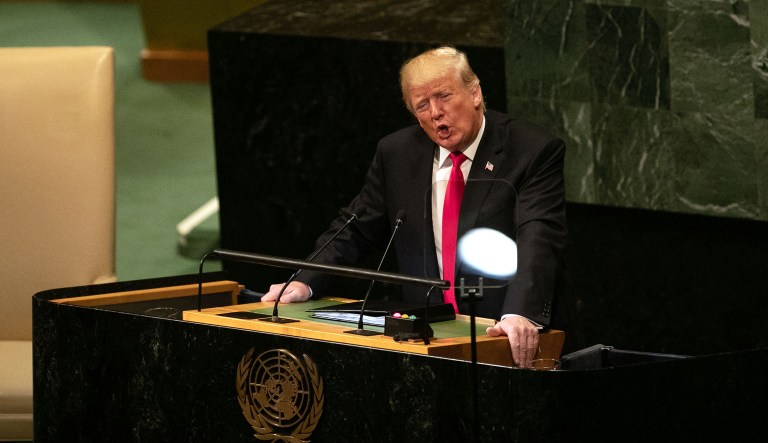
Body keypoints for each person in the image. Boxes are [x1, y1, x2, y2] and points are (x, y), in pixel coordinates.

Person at [263, 46, 584, 367]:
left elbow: (538, 237)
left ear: (475, 93)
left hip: (506, 336)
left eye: (444, 97)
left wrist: (519, 314)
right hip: (427, 337)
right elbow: (356, 228)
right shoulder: (397, 153)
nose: (435, 112)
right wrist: (305, 280)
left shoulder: (531, 149)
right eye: (422, 105)